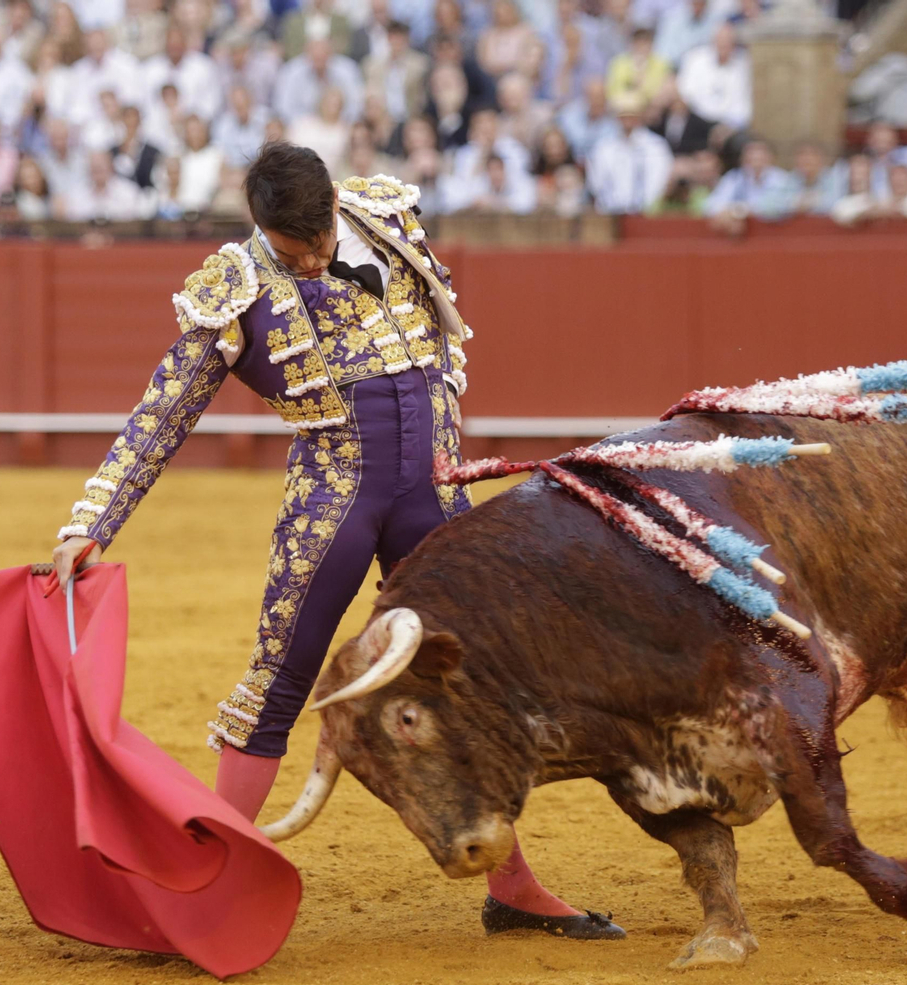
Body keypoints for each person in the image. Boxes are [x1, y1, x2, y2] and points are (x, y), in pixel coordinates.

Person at [48, 146, 624, 940]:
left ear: (332, 207)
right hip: (334, 500)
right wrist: (92, 523)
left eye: (319, 240)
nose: (315, 260)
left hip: (433, 491)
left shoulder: (383, 218)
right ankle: (204, 892)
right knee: (277, 686)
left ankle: (514, 887)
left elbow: (444, 330)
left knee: (470, 682)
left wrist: (445, 436)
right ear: (262, 229)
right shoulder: (237, 283)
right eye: (295, 252)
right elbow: (165, 409)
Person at [587, 93, 671, 214]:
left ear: (640, 116)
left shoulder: (656, 146)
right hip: (610, 215)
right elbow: (596, 184)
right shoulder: (603, 148)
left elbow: (660, 182)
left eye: (632, 116)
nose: (627, 121)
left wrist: (645, 207)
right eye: (623, 117)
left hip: (645, 215)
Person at [675, 21, 748, 131]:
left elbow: (743, 108)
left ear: (734, 45)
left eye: (728, 43)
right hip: (696, 120)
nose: (723, 46)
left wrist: (727, 128)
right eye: (720, 41)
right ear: (713, 41)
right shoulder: (695, 59)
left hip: (728, 127)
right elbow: (685, 94)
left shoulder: (744, 65)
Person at [703, 136, 792, 222]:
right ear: (743, 158)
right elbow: (711, 205)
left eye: (760, 156)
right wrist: (734, 212)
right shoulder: (734, 177)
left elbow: (783, 206)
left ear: (771, 157)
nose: (755, 159)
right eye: (751, 155)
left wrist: (742, 211)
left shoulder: (782, 178)